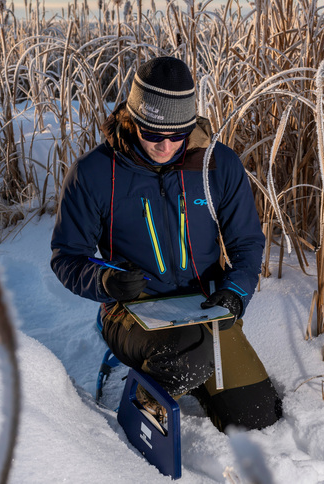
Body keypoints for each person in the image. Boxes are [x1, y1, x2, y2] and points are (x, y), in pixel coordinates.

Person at [50, 56, 282, 432]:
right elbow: (67, 258)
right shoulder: (94, 173)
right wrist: (106, 283)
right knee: (188, 357)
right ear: (132, 119)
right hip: (131, 309)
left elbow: (247, 244)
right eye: (153, 134)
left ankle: (198, 373)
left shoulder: (217, 166)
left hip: (205, 306)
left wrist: (234, 294)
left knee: (257, 416)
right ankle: (141, 400)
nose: (166, 145)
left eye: (178, 135)